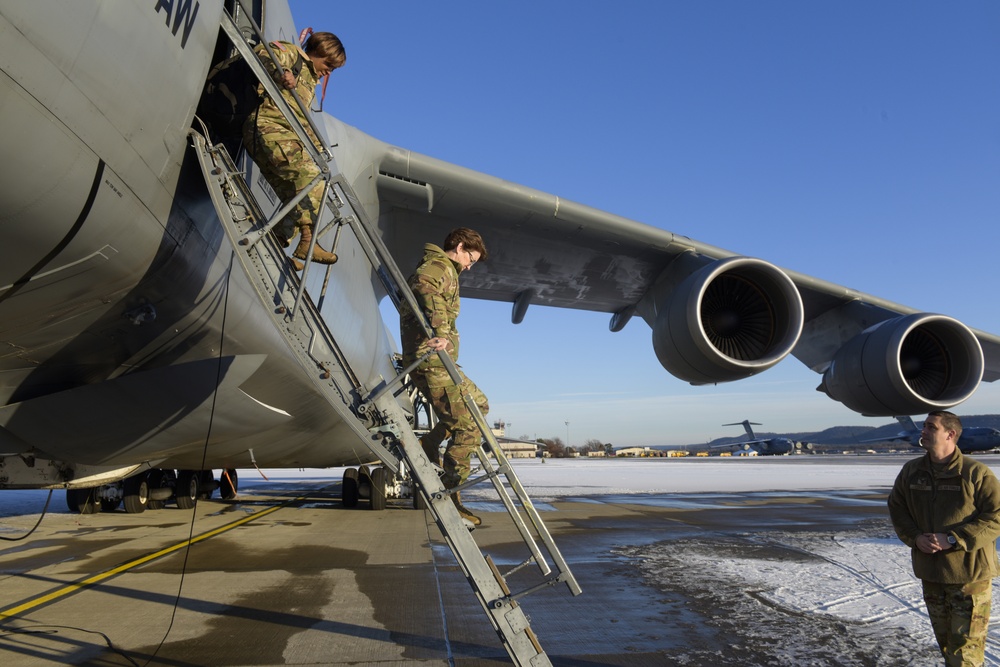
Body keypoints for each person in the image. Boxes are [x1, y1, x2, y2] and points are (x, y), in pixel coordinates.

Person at [887, 411, 1000, 666]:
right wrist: (915, 538)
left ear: (950, 434)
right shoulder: (912, 471)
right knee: (948, 647)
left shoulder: (975, 473)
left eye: (931, 427)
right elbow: (897, 507)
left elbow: (996, 516)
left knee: (965, 655)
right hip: (932, 575)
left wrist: (953, 539)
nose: (923, 431)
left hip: (969, 578)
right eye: (924, 426)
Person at [401, 228, 489, 526]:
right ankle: (452, 496)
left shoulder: (447, 270)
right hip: (432, 363)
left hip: (442, 362)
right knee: (467, 428)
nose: (469, 266)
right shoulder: (438, 267)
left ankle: (431, 441)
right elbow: (424, 287)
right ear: (460, 246)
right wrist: (440, 333)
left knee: (481, 405)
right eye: (470, 258)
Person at [243, 31, 345, 266]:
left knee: (297, 200)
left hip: (282, 135)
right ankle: (308, 242)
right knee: (312, 181)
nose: (328, 71)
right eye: (328, 64)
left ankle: (274, 245)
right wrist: (281, 73)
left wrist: (317, 146)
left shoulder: (309, 80)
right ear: (318, 52)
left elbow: (297, 117)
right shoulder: (291, 53)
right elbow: (263, 54)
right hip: (266, 128)